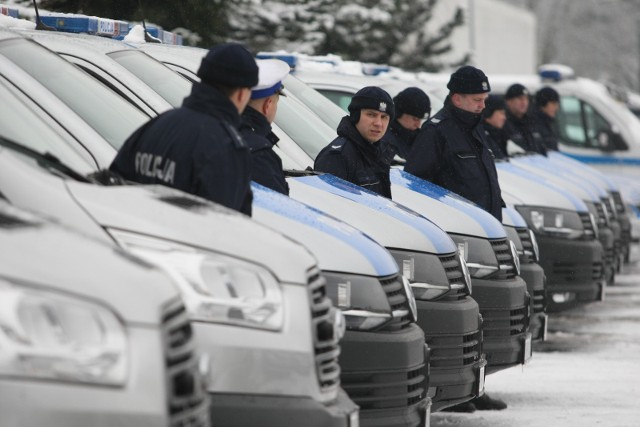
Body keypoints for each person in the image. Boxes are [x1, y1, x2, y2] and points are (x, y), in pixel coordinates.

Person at [109, 43, 259, 215]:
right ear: (241, 93)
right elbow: (223, 227)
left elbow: (114, 192)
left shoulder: (154, 126)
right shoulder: (227, 147)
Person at [405, 65, 504, 222]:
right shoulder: (436, 131)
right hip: (459, 227)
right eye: (477, 100)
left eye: (484, 100)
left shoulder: (475, 126)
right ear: (457, 99)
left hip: (488, 226)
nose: (483, 106)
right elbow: (416, 184)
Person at [314, 86, 396, 198]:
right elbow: (329, 205)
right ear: (355, 116)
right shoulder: (337, 157)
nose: (378, 123)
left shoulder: (378, 152)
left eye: (384, 117)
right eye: (371, 115)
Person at [240, 58, 290, 195]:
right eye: (276, 103)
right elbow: (277, 209)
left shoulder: (217, 130)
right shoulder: (258, 153)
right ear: (267, 105)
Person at [387, 87, 431, 160]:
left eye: (420, 120)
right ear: (399, 113)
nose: (418, 124)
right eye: (415, 119)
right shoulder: (381, 139)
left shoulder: (420, 140)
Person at [503, 83, 547, 155]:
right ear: (508, 101)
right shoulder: (502, 123)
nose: (524, 102)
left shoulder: (532, 122)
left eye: (526, 99)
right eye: (520, 98)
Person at [532, 86, 561, 151]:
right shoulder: (533, 125)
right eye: (553, 104)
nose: (557, 108)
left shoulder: (547, 123)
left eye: (557, 104)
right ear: (543, 104)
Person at [482, 94, 509, 160]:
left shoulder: (502, 134)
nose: (504, 118)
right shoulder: (481, 137)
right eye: (501, 113)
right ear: (488, 113)